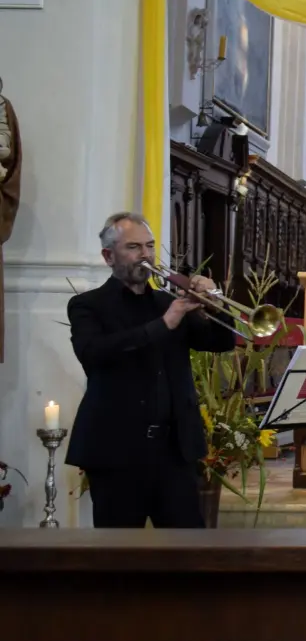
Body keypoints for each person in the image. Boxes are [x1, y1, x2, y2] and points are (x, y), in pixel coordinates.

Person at [65, 211, 236, 527]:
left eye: (149, 245)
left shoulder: (166, 301)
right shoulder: (88, 305)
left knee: (188, 552)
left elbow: (220, 342)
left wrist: (217, 304)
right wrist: (165, 324)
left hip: (174, 452)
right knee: (118, 557)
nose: (144, 255)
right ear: (108, 256)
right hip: (116, 452)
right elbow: (94, 352)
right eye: (133, 247)